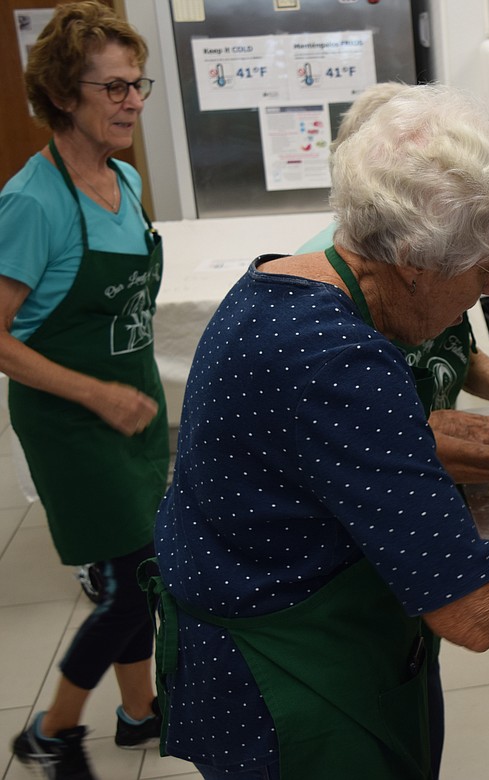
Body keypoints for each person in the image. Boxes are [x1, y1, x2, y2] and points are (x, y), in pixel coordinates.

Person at [150, 83, 489, 780]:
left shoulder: (281, 285)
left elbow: (381, 454)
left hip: (268, 619)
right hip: (291, 677)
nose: (485, 296)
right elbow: (476, 612)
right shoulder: (339, 360)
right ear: (414, 260)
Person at [1, 3, 165, 778]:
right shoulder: (33, 203)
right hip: (73, 423)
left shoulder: (125, 180)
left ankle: (139, 712)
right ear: (66, 94)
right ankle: (50, 732)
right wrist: (95, 396)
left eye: (138, 85)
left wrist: (123, 395)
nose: (132, 102)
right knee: (125, 589)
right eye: (114, 89)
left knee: (142, 572)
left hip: (131, 407)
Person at [299, 82, 489, 483]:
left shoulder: (440, 260)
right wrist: (441, 430)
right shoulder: (347, 284)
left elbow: (453, 345)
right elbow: (359, 435)